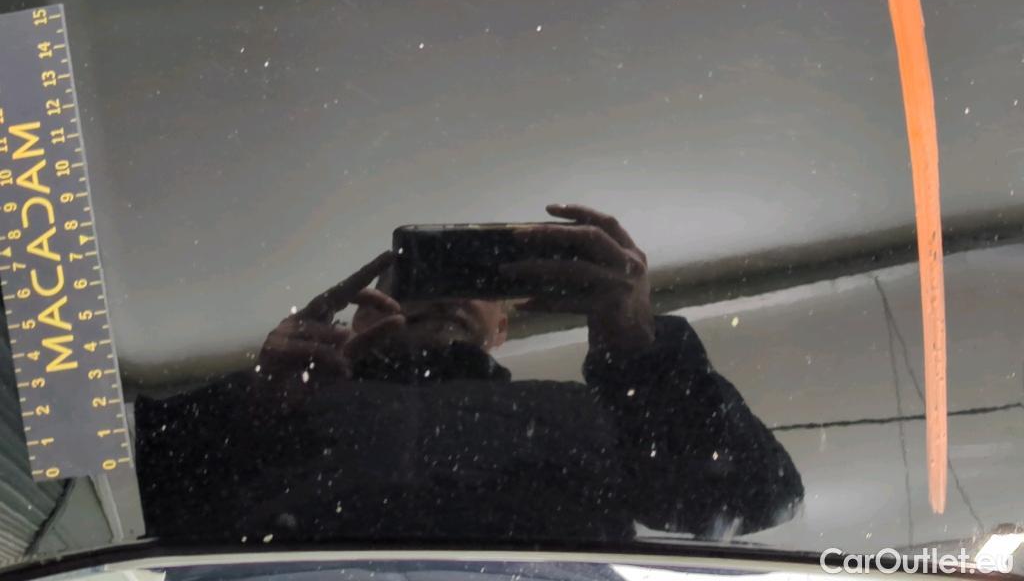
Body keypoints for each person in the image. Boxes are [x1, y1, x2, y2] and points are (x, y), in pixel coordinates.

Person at [135, 205, 803, 545]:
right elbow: (126, 496)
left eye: (476, 281)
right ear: (366, 305)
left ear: (503, 325)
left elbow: (754, 497)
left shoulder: (589, 413)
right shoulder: (293, 406)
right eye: (420, 279)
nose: (448, 294)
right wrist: (257, 402)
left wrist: (638, 345)